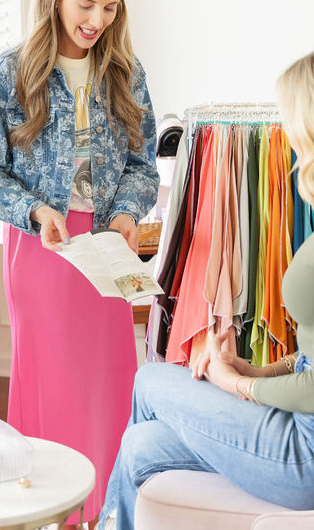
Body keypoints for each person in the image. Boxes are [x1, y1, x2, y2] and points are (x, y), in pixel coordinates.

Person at [0, 0, 160, 522]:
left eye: (110, 7)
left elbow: (142, 165)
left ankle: (108, 507)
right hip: (42, 247)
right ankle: (51, 508)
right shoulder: (10, 73)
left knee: (108, 380)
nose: (98, 20)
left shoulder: (125, 72)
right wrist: (35, 210)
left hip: (107, 246)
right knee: (50, 379)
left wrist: (125, 214)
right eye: (86, 4)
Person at [98, 52, 314, 529]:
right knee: (139, 447)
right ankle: (111, 522)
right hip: (299, 431)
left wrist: (236, 384)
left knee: (150, 381)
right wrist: (257, 368)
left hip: (304, 457)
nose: (289, 137)